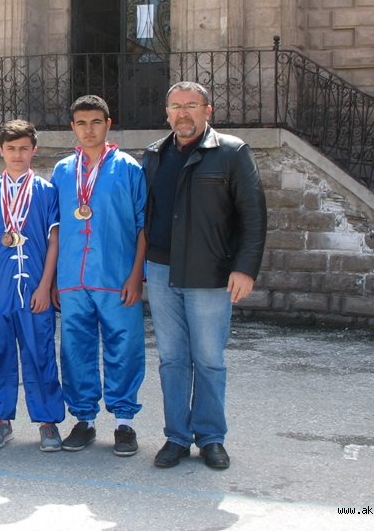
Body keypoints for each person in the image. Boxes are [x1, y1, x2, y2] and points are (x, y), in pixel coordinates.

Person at [142, 81, 267, 470]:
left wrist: (244, 268)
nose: (183, 113)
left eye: (191, 105)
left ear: (207, 111)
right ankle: (176, 436)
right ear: (167, 114)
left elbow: (254, 216)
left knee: (210, 359)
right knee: (172, 359)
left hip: (210, 275)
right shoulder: (154, 156)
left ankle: (211, 437)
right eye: (176, 106)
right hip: (162, 273)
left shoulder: (231, 152)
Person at [50, 95, 147, 457]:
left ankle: (124, 422)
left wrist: (137, 274)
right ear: (72, 128)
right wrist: (55, 279)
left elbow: (142, 225)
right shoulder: (62, 171)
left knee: (125, 346)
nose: (88, 130)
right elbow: (54, 227)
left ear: (109, 124)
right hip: (73, 278)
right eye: (80, 123)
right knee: (76, 349)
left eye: (95, 122)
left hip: (116, 275)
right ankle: (84, 419)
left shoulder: (128, 168)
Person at [0, 120, 65, 452]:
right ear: (1, 151)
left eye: (24, 148)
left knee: (40, 352)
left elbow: (54, 240)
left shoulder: (47, 191)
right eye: (11, 148)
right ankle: (0, 419)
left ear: (34, 150)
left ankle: (48, 421)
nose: (18, 154)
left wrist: (45, 286)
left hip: (34, 287)